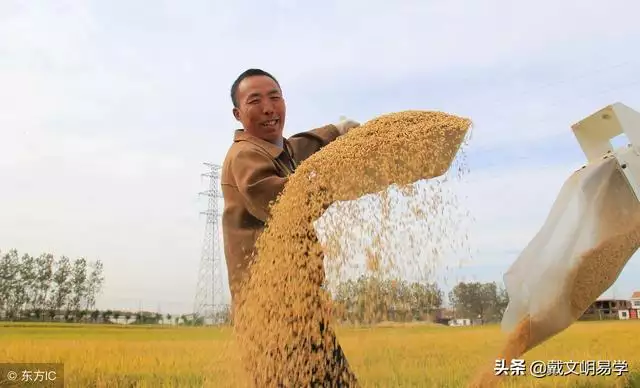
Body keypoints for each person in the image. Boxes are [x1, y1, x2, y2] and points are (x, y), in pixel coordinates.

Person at [220, 68, 360, 385]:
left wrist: (337, 131)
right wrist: (343, 177)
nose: (269, 108)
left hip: (303, 307)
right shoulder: (244, 155)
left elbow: (298, 146)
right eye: (255, 100)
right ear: (237, 113)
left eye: (275, 97)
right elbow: (283, 201)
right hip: (271, 314)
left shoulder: (277, 150)